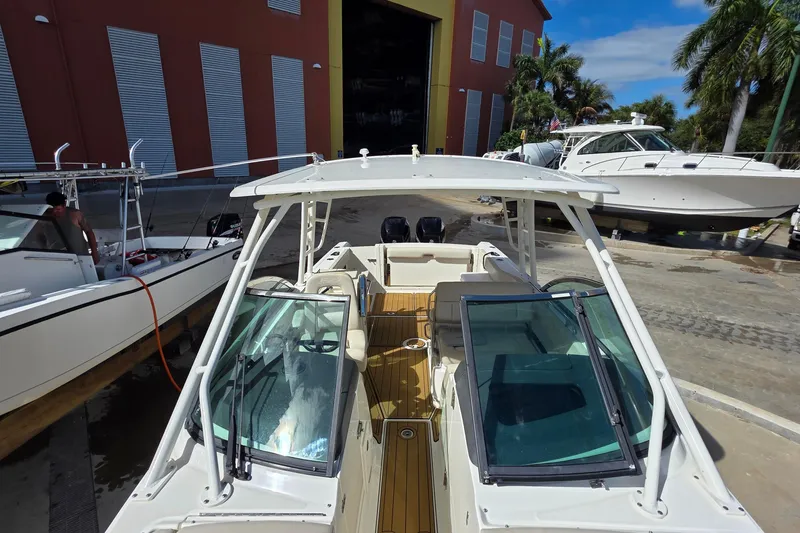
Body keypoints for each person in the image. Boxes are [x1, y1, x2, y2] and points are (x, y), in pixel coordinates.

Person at [45, 191, 99, 263]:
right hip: (56, 258)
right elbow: (39, 236)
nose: (54, 213)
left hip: (79, 257)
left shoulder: (75, 214)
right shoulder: (43, 217)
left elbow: (89, 232)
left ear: (64, 205)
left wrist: (94, 252)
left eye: (58, 210)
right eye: (51, 210)